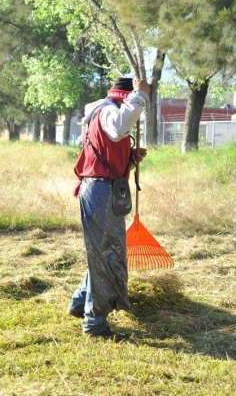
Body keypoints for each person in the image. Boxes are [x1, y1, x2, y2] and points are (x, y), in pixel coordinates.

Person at [67, 77, 150, 340]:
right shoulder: (107, 111)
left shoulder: (100, 112)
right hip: (101, 192)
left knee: (104, 251)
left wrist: (129, 159)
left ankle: (80, 302)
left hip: (103, 189)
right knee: (107, 254)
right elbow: (119, 126)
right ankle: (95, 323)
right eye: (131, 99)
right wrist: (140, 95)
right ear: (124, 96)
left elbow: (106, 151)